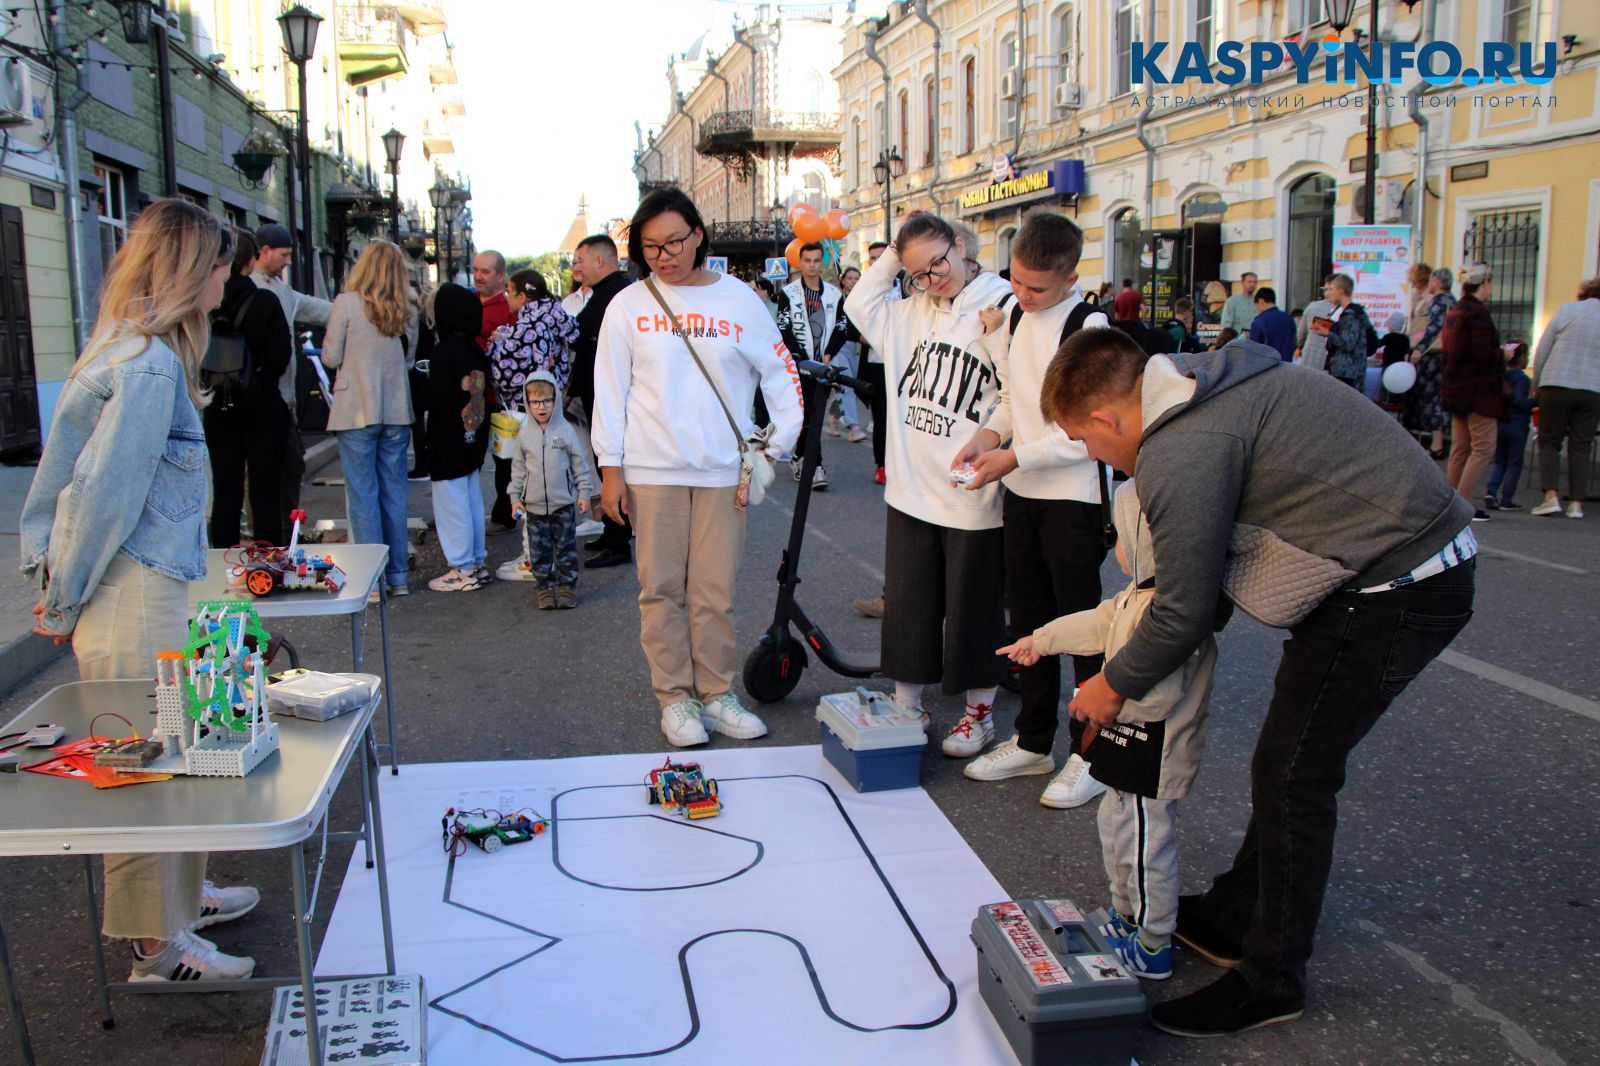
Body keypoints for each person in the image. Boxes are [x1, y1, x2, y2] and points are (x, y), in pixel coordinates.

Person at [1041, 329, 1475, 1037]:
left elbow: (1182, 608)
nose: (1095, 457)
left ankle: (1272, 978)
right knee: (1287, 762)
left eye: (1085, 443)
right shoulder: (1194, 380)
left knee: (1293, 775)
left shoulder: (1180, 447)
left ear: (1107, 419)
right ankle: (1239, 913)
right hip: (1385, 559)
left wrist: (1111, 684)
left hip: (1403, 579)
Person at [21, 198, 260, 982]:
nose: (229, 279)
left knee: (172, 754)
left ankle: (180, 899)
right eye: (223, 265)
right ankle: (155, 945)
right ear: (196, 270)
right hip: (133, 592)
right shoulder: (150, 367)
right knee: (141, 769)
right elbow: (101, 497)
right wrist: (61, 602)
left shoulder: (134, 352)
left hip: (146, 585)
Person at [592, 188, 803, 747]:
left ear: (698, 235)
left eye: (676, 242)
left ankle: (716, 694)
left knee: (714, 591)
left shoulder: (740, 301)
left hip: (720, 471)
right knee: (660, 588)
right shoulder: (628, 306)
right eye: (651, 246)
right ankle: (675, 699)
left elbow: (781, 374)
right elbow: (609, 392)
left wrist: (774, 446)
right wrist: (610, 469)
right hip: (651, 469)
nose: (665, 255)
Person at [998, 479, 1216, 981]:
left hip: (1152, 753)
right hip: (1123, 748)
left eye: (1120, 533)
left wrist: (1101, 696)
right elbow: (1098, 622)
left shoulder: (1172, 611)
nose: (1115, 546)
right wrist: (1043, 639)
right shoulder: (1136, 597)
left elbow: (1160, 694)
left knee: (1145, 845)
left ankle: (1153, 940)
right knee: (1115, 828)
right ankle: (1124, 914)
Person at [947, 209, 1111, 810]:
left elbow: (1089, 432)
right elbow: (1015, 400)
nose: (1021, 294)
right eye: (1015, 280)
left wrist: (1013, 458)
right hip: (1025, 497)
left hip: (1074, 500)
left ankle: (1091, 752)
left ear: (1070, 278)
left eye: (1036, 286)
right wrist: (987, 438)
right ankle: (1034, 739)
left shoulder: (1088, 325)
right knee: (1032, 629)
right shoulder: (1016, 314)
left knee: (1085, 629)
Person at [844, 209, 1013, 733]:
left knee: (974, 609)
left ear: (961, 245)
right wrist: (901, 252)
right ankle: (907, 702)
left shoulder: (1003, 301)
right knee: (911, 606)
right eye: (918, 272)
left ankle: (978, 710)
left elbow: (1019, 394)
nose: (932, 278)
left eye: (939, 262)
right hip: (911, 486)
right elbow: (857, 302)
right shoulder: (907, 311)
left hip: (972, 489)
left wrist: (993, 439)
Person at [320, 240, 419, 596]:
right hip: (396, 408)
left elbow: (330, 356)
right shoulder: (408, 308)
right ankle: (398, 577)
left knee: (362, 495)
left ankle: (371, 580)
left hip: (354, 409)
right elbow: (407, 361)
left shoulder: (346, 303)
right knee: (394, 493)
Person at [204, 227, 291, 549]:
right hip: (262, 405)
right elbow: (282, 356)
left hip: (217, 403)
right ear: (252, 260)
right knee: (264, 490)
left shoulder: (208, 301)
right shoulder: (264, 300)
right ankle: (267, 563)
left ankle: (220, 563)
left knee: (225, 491)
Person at [251, 223, 332, 538]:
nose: (288, 261)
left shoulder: (282, 290)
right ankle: (274, 535)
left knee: (291, 465)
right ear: (265, 251)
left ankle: (287, 529)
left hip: (285, 401)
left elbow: (317, 308)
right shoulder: (252, 288)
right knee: (269, 471)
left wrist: (355, 309)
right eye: (284, 255)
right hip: (263, 400)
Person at [570, 233, 636, 569]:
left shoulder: (613, 293)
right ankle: (613, 534)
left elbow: (575, 331)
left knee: (611, 467)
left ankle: (619, 540)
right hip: (601, 392)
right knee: (606, 466)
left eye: (580, 259)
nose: (575, 267)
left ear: (599, 260)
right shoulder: (610, 291)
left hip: (609, 395)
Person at [424, 282, 490, 592]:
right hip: (473, 436)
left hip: (447, 439)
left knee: (450, 503)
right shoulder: (475, 348)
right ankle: (476, 561)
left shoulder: (444, 350)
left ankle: (461, 568)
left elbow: (437, 395)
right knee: (471, 498)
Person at [511, 372, 596, 609]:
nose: (541, 407)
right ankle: (545, 589)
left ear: (555, 400)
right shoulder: (524, 433)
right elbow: (517, 469)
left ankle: (567, 587)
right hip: (535, 507)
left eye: (547, 401)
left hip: (563, 505)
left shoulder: (565, 431)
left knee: (566, 550)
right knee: (539, 553)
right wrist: (515, 498)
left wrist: (583, 494)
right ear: (528, 402)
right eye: (535, 401)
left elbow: (580, 465)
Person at [776, 241, 853, 490]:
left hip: (824, 364)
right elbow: (784, 328)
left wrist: (829, 354)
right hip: (799, 366)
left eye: (817, 260)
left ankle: (800, 457)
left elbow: (842, 327)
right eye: (807, 260)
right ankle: (815, 465)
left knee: (811, 413)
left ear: (823, 262)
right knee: (808, 413)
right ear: (800, 262)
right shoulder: (788, 294)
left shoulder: (834, 294)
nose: (812, 265)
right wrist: (800, 357)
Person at [1530, 277, 1600, 519]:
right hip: (1593, 388)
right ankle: (1576, 504)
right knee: (1582, 445)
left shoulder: (1567, 310)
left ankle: (1550, 496)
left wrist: (1537, 382)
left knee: (1550, 441)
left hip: (1556, 383)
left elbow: (1543, 348)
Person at [1441, 265, 1503, 520]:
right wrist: (1504, 354)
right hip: (1479, 390)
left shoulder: (1455, 310)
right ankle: (1463, 504)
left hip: (1456, 387)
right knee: (1483, 448)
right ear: (1485, 283)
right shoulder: (1477, 313)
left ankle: (1449, 500)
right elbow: (1482, 353)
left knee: (1461, 447)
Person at [1406, 267, 1454, 458]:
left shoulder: (1439, 302)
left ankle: (1436, 445)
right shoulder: (1453, 301)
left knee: (1433, 399)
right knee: (1439, 399)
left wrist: (1418, 350)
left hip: (1434, 356)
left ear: (1437, 282)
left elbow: (1433, 329)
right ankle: (1439, 443)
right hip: (1448, 355)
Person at [1486, 342, 1535, 511]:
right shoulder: (1522, 379)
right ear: (1522, 358)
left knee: (1499, 461)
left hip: (1500, 423)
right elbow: (1519, 401)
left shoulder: (1500, 376)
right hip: (1518, 424)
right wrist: (1536, 401)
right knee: (1514, 464)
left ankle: (1491, 491)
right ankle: (1507, 499)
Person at [830, 265, 868, 444]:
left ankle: (834, 415)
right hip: (840, 345)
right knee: (847, 385)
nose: (853, 281)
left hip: (860, 347)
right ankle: (853, 427)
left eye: (857, 278)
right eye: (850, 278)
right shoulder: (837, 298)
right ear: (843, 280)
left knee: (854, 384)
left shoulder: (864, 298)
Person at [1320, 273, 1377, 390]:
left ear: (1341, 291)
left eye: (1332, 289)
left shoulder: (1351, 315)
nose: (1329, 293)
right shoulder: (1348, 312)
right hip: (1346, 370)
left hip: (1347, 371)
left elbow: (1348, 344)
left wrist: (1328, 334)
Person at [473, 249, 513, 352]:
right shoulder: (467, 300)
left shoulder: (511, 307)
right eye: (475, 270)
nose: (477, 276)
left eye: (485, 272)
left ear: (500, 276)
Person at [1295, 275, 1336, 371]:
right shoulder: (1345, 310)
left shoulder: (1312, 307)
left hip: (1310, 357)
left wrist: (1299, 346)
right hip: (1330, 362)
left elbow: (1301, 334)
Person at [1247, 286, 1296, 361]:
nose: (1257, 309)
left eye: (1256, 305)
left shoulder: (1259, 321)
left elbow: (1253, 350)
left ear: (1261, 301)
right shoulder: (1288, 318)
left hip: (1268, 366)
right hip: (1287, 365)